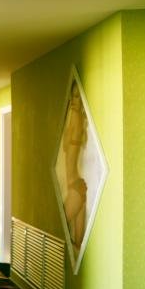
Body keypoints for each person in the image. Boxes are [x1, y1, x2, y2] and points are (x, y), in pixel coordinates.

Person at [61, 83, 87, 252]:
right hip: (78, 187)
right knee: (78, 247)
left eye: (77, 96)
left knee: (58, 228)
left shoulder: (76, 119)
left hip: (75, 189)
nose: (74, 100)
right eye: (73, 96)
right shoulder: (76, 118)